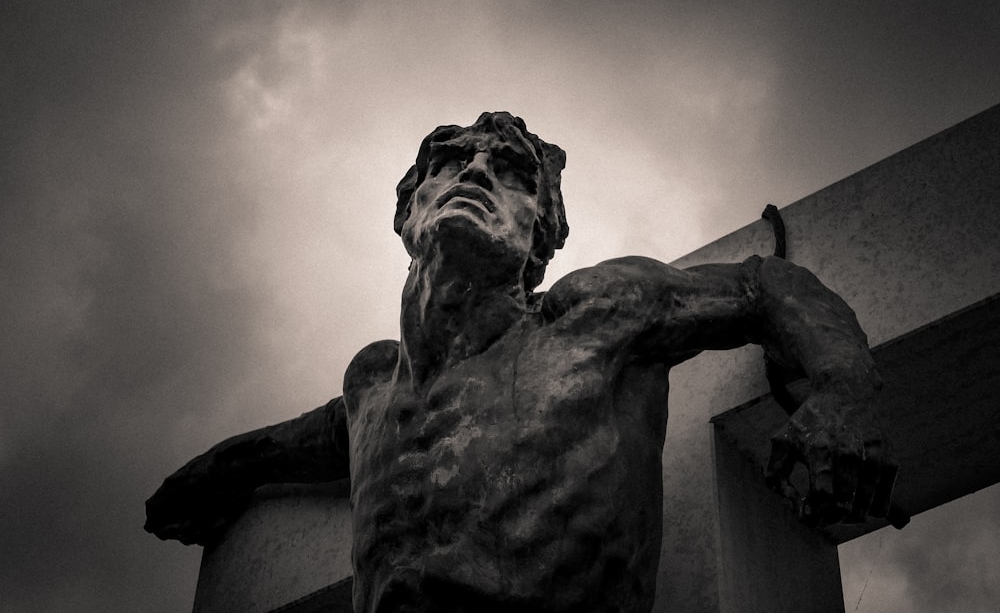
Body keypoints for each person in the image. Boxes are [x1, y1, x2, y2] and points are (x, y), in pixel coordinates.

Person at [146, 112, 896, 613]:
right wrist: (224, 465)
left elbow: (763, 284)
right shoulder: (371, 383)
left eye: (508, 171)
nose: (475, 172)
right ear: (409, 211)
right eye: (450, 161)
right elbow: (307, 440)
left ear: (541, 236)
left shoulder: (595, 316)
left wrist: (843, 387)